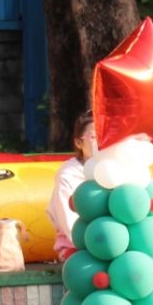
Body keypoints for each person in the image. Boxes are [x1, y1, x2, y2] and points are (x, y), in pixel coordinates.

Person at [48, 110, 96, 263]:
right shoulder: (68, 176)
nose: (101, 143)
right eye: (94, 137)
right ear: (79, 143)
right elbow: (70, 225)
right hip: (78, 246)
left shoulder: (114, 170)